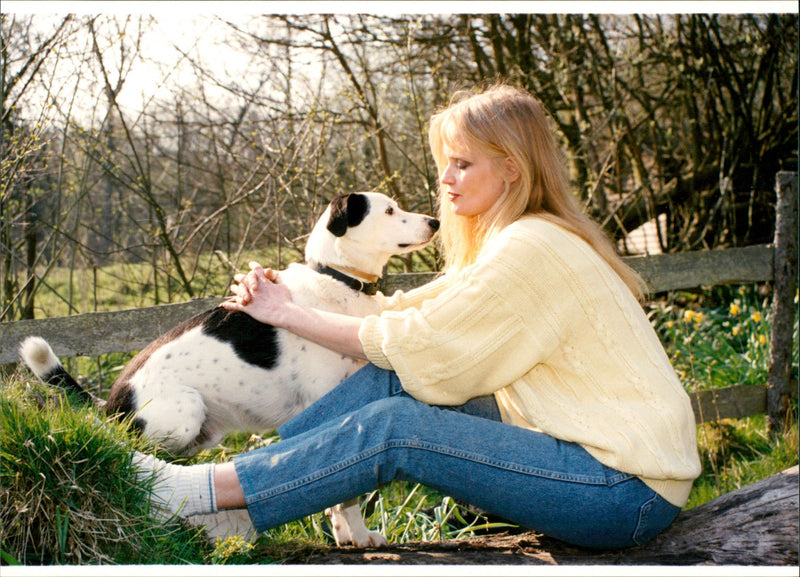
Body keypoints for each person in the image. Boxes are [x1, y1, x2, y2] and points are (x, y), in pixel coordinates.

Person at [133, 83, 701, 549]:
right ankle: (248, 500)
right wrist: (293, 303)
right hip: (604, 467)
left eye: (461, 164)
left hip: (623, 489)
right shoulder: (525, 239)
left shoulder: (532, 247)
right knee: (388, 376)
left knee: (398, 427)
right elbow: (413, 312)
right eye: (443, 164)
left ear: (510, 168)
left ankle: (203, 493)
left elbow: (422, 344)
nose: (444, 180)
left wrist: (287, 315)